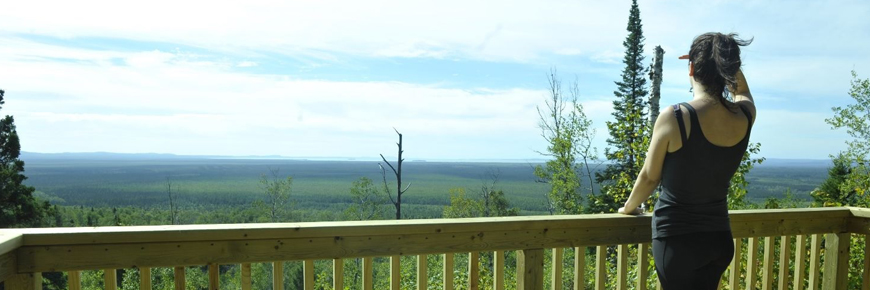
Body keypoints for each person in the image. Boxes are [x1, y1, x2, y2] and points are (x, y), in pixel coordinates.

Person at [617, 32, 755, 289]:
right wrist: (726, 63)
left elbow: (649, 176)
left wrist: (628, 208)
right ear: (729, 70)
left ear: (691, 67)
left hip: (678, 241)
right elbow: (743, 91)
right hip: (719, 240)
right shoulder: (744, 115)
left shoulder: (677, 117)